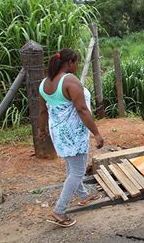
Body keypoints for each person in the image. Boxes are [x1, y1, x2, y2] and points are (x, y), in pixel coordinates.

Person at [38, 49, 104, 228]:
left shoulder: (44, 83)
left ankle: (83, 196)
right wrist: (96, 133)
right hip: (73, 133)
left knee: (71, 165)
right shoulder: (69, 81)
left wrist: (42, 129)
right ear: (69, 63)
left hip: (58, 132)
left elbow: (43, 111)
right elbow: (82, 110)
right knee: (77, 171)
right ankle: (59, 211)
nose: (76, 66)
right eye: (76, 63)